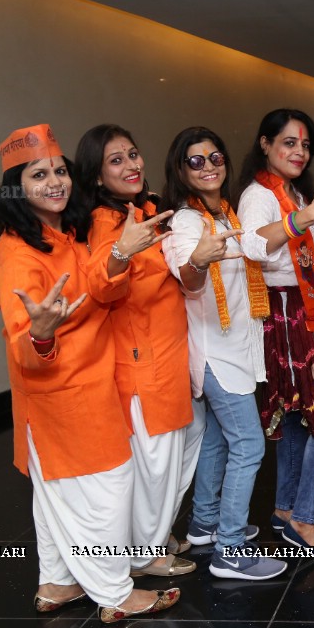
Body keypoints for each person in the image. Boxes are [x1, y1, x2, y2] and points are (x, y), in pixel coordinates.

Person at [0, 124, 179, 623]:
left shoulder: (63, 235)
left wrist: (118, 255)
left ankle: (56, 582)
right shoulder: (18, 253)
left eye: (59, 171)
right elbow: (24, 342)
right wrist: (43, 333)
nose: (55, 182)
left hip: (85, 386)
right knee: (105, 489)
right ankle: (114, 591)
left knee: (55, 497)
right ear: (16, 187)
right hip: (63, 396)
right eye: (38, 174)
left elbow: (101, 288)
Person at [160, 127, 286, 580]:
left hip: (232, 345)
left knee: (216, 439)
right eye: (196, 160)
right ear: (180, 169)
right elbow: (187, 277)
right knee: (250, 446)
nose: (209, 165)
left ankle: (206, 526)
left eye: (215, 156)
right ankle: (230, 550)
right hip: (216, 353)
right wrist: (199, 260)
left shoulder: (224, 212)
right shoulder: (188, 221)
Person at [74, 124, 197, 578]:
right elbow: (102, 287)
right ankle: (145, 555)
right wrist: (122, 254)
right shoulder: (108, 223)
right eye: (116, 160)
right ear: (96, 176)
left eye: (133, 153)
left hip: (169, 357)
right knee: (155, 467)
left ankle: (153, 534)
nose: (132, 165)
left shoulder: (147, 209)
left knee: (170, 460)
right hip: (144, 366)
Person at [235, 109, 314, 556]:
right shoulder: (257, 195)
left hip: (304, 307)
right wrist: (306, 217)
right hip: (283, 314)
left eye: (305, 145)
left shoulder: (294, 191)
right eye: (289, 143)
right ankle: (302, 519)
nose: (299, 152)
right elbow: (252, 244)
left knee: (298, 418)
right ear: (264, 144)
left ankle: (286, 508)